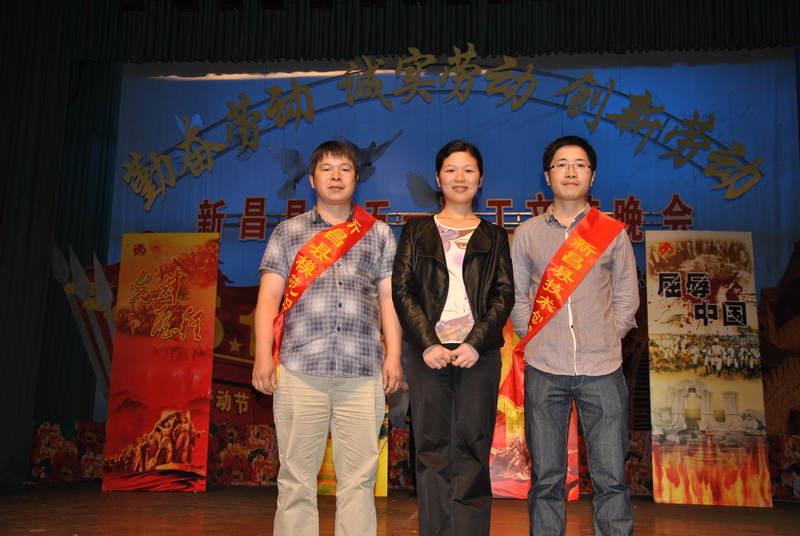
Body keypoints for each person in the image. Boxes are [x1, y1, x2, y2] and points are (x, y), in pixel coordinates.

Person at [252, 140, 403, 536]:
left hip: (362, 371)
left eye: (345, 169)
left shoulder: (379, 234)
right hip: (300, 369)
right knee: (296, 478)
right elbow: (267, 299)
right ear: (312, 179)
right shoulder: (288, 232)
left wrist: (394, 355)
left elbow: (389, 299)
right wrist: (263, 356)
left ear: (357, 177)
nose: (336, 176)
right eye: (327, 169)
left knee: (359, 481)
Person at [510, 136, 638, 536]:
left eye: (579, 164)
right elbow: (516, 296)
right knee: (546, 479)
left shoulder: (611, 232)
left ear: (592, 176)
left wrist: (609, 336)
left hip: (603, 368)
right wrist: (534, 336)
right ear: (547, 175)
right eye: (561, 164)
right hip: (545, 367)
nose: (570, 171)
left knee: (611, 478)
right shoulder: (528, 233)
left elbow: (626, 296)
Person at [392, 140, 515, 536]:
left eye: (468, 170)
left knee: (473, 447)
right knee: (431, 450)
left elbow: (503, 294)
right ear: (437, 178)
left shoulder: (495, 235)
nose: (460, 177)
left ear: (480, 179)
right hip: (428, 354)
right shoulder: (416, 231)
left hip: (479, 355)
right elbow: (402, 290)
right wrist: (427, 343)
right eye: (451, 169)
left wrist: (475, 344)